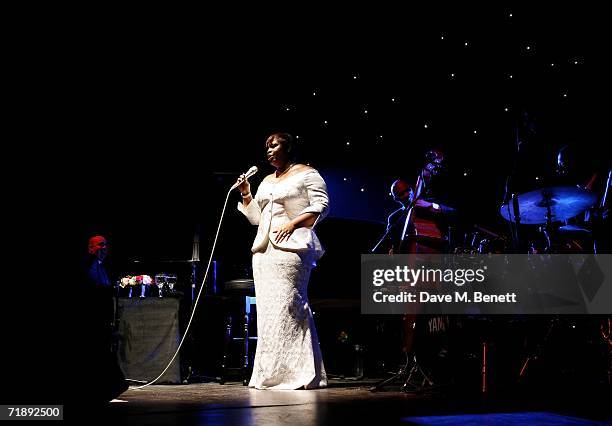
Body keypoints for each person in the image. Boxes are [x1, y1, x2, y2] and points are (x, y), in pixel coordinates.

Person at [235, 132, 329, 389]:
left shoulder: (307, 173)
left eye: (274, 144)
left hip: (292, 249)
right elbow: (257, 218)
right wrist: (246, 195)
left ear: (288, 147)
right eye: (266, 146)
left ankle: (299, 374)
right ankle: (271, 374)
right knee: (268, 313)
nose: (269, 149)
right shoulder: (265, 180)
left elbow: (322, 205)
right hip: (265, 252)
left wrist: (293, 223)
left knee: (290, 305)